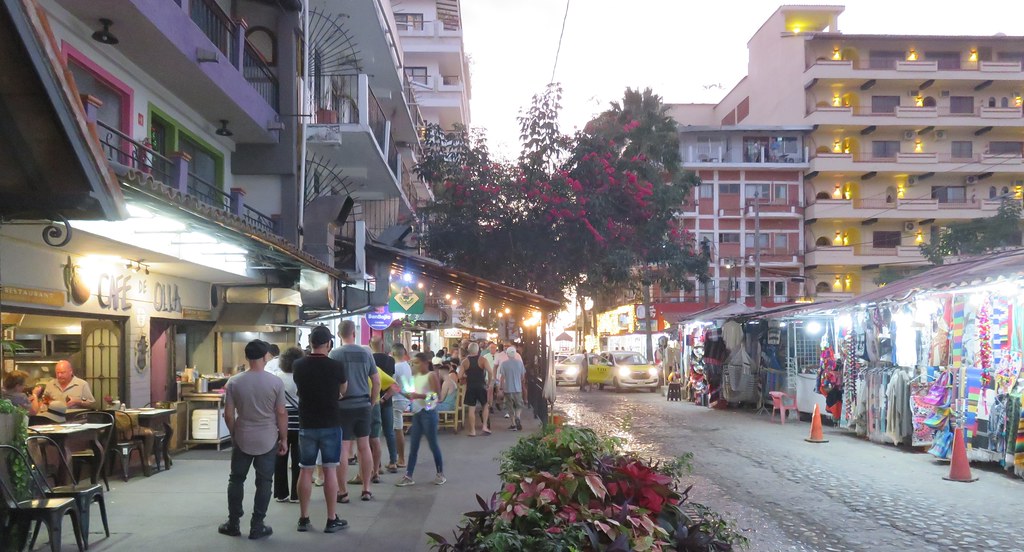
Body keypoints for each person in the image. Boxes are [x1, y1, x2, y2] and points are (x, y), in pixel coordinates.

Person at [220, 340, 288, 540]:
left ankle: (233, 523)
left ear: (247, 357)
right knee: (264, 481)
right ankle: (257, 526)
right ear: (266, 356)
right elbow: (281, 412)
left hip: (243, 436)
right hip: (268, 438)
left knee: (236, 479)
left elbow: (228, 415)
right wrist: (283, 438)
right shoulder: (276, 382)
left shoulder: (234, 382)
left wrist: (234, 434)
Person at [292, 326, 348, 534]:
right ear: (328, 344)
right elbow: (343, 390)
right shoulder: (336, 366)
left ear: (310, 343)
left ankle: (303, 518)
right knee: (329, 469)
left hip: (307, 423)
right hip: (330, 422)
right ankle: (331, 519)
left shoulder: (298, 365)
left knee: (305, 469)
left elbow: (299, 390)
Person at [329, 320, 380, 503]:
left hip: (342, 407)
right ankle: (366, 488)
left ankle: (343, 492)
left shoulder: (334, 354)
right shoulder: (366, 353)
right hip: (363, 405)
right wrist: (371, 402)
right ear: (354, 333)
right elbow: (376, 381)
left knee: (343, 449)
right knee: (364, 446)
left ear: (338, 334)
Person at [395, 352, 445, 487]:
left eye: (416, 363)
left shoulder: (431, 375)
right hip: (417, 413)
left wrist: (418, 396)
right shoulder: (415, 377)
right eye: (413, 363)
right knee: (414, 446)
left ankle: (440, 473)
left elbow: (436, 396)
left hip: (429, 412)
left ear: (425, 363)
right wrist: (403, 393)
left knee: (433, 445)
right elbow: (413, 395)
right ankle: (408, 475)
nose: (414, 366)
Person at [274, 347, 304, 503]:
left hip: (281, 422)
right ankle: (296, 494)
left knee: (280, 458)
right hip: (299, 421)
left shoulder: (276, 378)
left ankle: (281, 493)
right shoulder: (302, 377)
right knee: (298, 458)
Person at [370, 337, 397, 476]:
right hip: (387, 400)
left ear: (370, 345)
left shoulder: (369, 359)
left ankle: (377, 465)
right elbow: (393, 382)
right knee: (389, 432)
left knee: (374, 435)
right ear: (382, 345)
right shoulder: (390, 360)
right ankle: (393, 461)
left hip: (372, 401)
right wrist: (385, 398)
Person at [459, 342, 492, 436]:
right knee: (485, 406)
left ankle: (472, 431)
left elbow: (460, 376)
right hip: (481, 386)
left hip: (470, 387)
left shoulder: (465, 362)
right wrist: (489, 383)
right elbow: (490, 372)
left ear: (468, 350)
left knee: (471, 409)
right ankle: (484, 426)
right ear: (478, 350)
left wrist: (466, 376)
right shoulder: (483, 360)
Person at [390, 343, 412, 470]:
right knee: (397, 429)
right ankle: (398, 457)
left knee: (397, 430)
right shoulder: (406, 365)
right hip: (404, 400)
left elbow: (392, 385)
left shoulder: (395, 367)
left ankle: (401, 459)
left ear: (393, 353)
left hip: (397, 400)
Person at [498, 346, 527, 431]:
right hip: (518, 389)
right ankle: (518, 417)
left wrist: (501, 388)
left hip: (507, 389)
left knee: (510, 406)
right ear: (515, 354)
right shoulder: (520, 363)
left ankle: (513, 424)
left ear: (507, 354)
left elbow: (502, 377)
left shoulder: (504, 364)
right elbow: (523, 377)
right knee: (519, 405)